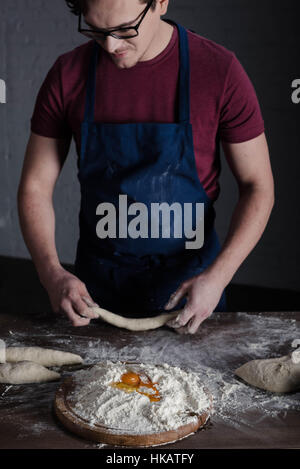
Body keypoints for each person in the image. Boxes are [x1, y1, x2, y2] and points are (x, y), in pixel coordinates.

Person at [17, 0, 274, 334]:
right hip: (96, 297)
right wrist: (51, 273)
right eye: (96, 31)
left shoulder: (218, 70)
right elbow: (35, 187)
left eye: (125, 30)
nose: (111, 46)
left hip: (193, 294)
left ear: (161, 2)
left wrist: (218, 277)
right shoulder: (68, 76)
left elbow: (259, 186)